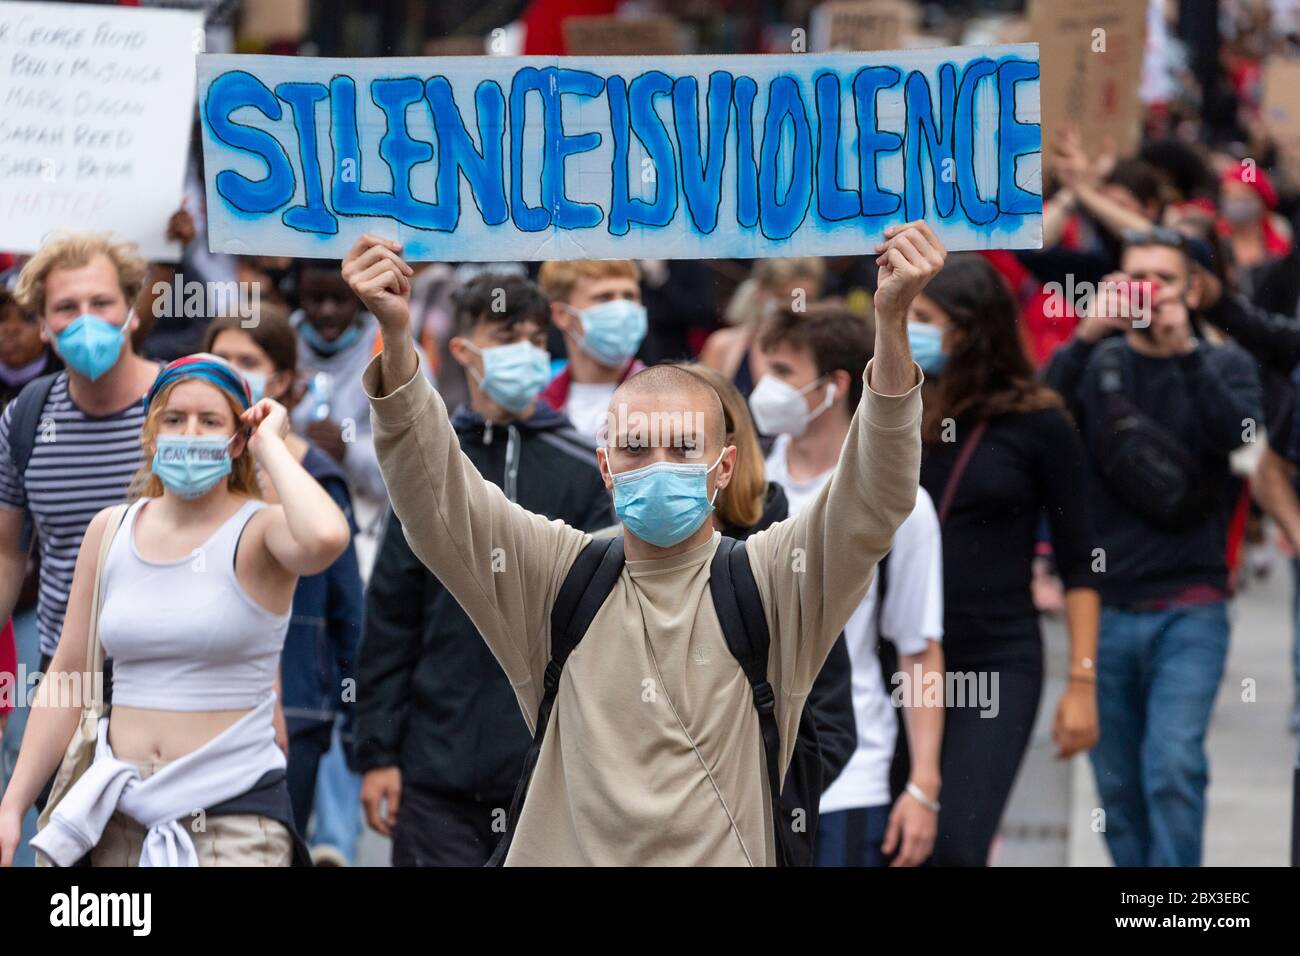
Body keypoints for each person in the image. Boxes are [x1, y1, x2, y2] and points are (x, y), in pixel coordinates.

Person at [342, 221, 943, 865]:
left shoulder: (773, 582)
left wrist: (893, 318)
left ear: (725, 466)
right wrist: (397, 335)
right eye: (633, 447)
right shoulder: (557, 577)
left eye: (684, 447)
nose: (658, 463)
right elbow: (436, 502)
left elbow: (873, 500)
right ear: (604, 467)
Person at [0, 354, 351, 866]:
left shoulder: (261, 532)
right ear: (150, 433)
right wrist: (12, 805)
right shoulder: (110, 529)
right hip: (118, 819)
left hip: (232, 823)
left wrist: (270, 442)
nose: (190, 433)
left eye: (211, 421)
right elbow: (69, 673)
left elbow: (326, 535)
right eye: (173, 418)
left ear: (237, 440)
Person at [358, 273, 613, 866]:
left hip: (555, 773)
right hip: (435, 771)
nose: (525, 349)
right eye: (506, 335)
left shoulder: (585, 469)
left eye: (534, 337)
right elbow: (392, 617)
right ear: (464, 351)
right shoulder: (430, 469)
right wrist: (378, 754)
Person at [1045, 230, 1264, 866]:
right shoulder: (1099, 362)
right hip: (1106, 612)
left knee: (1171, 768)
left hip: (1190, 608)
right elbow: (1034, 420)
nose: (1148, 292)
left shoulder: (1224, 364)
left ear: (1192, 290)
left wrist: (1185, 352)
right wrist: (1085, 335)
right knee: (1117, 788)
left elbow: (1242, 446)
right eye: (1134, 277)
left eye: (1162, 279)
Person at [916, 254, 1102, 866]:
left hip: (995, 658)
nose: (905, 329)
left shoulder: (1039, 422)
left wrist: (1080, 681)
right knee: (892, 841)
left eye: (922, 317)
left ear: (969, 329)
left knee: (957, 848)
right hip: (903, 658)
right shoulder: (891, 409)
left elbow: (1081, 561)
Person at [751, 302, 945, 867]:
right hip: (749, 774)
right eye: (765, 370)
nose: (766, 388)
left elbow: (918, 648)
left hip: (849, 776)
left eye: (783, 373)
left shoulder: (901, 505)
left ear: (836, 385)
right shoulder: (743, 488)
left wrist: (923, 785)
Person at [202, 311, 364, 850]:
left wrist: (350, 710)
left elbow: (347, 606)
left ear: (282, 381)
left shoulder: (315, 476)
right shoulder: (193, 468)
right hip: (203, 702)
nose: (230, 371)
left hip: (296, 707)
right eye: (220, 359)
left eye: (247, 362)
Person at [0, 234, 159, 677]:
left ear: (130, 313)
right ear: (44, 326)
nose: (86, 320)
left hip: (169, 674)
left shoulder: (183, 405)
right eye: (66, 308)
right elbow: (7, 554)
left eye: (102, 303)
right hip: (66, 678)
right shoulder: (25, 418)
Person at [288, 259, 434, 573]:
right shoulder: (278, 346)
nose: (327, 311)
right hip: (290, 526)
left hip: (374, 532)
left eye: (339, 299)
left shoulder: (399, 352)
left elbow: (422, 464)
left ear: (358, 297)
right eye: (315, 298)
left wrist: (348, 452)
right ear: (298, 293)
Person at [536, 259, 646, 441]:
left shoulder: (665, 398)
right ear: (561, 315)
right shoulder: (540, 405)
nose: (622, 310)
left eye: (629, 296)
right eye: (604, 297)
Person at [698, 257, 825, 400]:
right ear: (760, 292)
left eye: (804, 300)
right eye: (783, 297)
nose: (795, 308)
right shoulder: (723, 346)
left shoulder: (821, 351)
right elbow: (706, 409)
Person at [0, 287, 61, 406]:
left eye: (29, 318)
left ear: (47, 327)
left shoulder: (68, 381)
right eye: (1, 318)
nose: (11, 328)